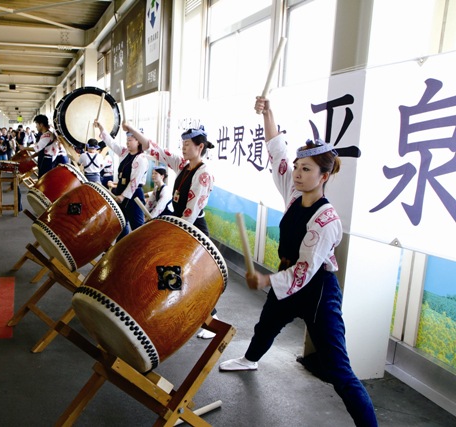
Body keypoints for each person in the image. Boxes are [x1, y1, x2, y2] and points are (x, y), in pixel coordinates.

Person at [218, 97, 378, 427]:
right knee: (267, 323)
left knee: (337, 369)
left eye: (306, 170)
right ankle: (250, 360)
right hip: (288, 276)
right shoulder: (294, 194)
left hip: (318, 289)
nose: (298, 174)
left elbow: (305, 271)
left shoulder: (327, 219)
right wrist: (268, 112)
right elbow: (277, 149)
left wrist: (264, 281)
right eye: (298, 168)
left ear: (324, 176)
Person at [128, 123, 216, 338]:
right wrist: (131, 128)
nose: (183, 148)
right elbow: (155, 149)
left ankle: (212, 320)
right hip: (181, 223)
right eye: (183, 144)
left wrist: (175, 231)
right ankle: (167, 311)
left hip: (193, 228)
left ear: (200, 146)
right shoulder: (184, 165)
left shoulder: (203, 174)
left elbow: (191, 211)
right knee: (171, 267)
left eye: (187, 144)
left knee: (195, 273)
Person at [95, 120, 149, 240]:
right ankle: (119, 251)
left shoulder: (141, 158)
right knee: (120, 224)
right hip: (122, 193)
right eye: (127, 140)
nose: (127, 143)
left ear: (138, 141)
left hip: (134, 196)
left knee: (137, 227)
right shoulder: (125, 153)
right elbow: (112, 143)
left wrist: (123, 196)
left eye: (130, 140)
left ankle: (140, 252)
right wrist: (101, 128)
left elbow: (134, 182)